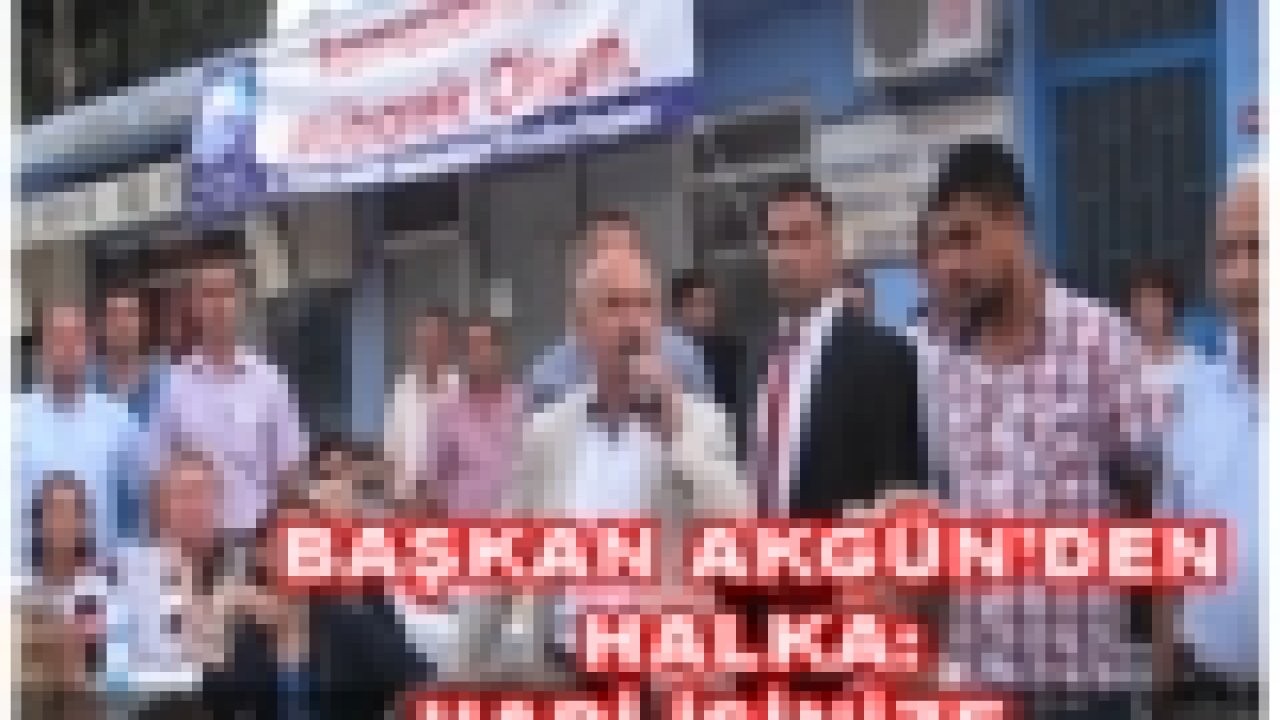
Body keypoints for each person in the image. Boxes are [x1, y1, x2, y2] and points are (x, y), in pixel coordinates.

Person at [912, 141, 1159, 718]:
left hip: (1082, 691)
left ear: (1017, 224)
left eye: (965, 238)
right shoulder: (943, 362)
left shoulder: (1100, 342)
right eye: (939, 247)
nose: (949, 265)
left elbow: (1151, 497)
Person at [456, 241, 750, 684]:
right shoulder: (548, 433)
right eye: (614, 305)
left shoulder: (701, 424)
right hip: (566, 669)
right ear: (581, 327)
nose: (633, 321)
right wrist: (462, 671)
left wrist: (677, 439)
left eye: (645, 305)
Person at [1154, 162, 1263, 719]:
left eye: (1259, 249)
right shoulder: (1194, 398)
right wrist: (1163, 686)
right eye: (1226, 254)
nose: (1242, 274)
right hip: (1207, 696)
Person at [753, 178, 926, 518]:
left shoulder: (883, 356)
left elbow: (894, 494)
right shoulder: (758, 355)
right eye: (774, 240)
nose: (786, 255)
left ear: (834, 247)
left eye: (801, 237)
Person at [204, 498, 431, 720]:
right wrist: (220, 622)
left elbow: (420, 680)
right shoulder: (242, 631)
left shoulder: (350, 621)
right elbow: (214, 703)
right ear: (262, 554)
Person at [148, 247, 307, 536]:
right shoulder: (174, 385)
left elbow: (289, 471)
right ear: (195, 306)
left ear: (241, 301)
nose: (218, 305)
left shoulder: (269, 382)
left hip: (257, 535)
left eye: (227, 293)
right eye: (208, 294)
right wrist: (165, 543)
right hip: (195, 541)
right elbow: (159, 474)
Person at [524, 210, 711, 413]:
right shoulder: (548, 378)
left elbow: (704, 426)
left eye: (628, 251)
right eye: (603, 253)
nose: (617, 263)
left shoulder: (684, 360)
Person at [17, 304, 141, 551]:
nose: (67, 349)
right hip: (27, 567)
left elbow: (139, 500)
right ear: (42, 349)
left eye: (76, 339)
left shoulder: (118, 420)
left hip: (100, 567)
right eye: (58, 339)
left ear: (90, 349)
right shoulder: (14, 418)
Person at [18, 473, 111, 694]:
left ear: (84, 523)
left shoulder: (107, 591)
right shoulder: (22, 598)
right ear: (38, 523)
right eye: (55, 511)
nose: (63, 522)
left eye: (72, 512)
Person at [424, 317, 523, 516]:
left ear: (499, 351)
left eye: (484, 345)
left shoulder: (523, 404)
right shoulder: (448, 411)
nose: (478, 354)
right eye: (471, 348)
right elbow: (436, 484)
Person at [383, 307, 460, 505]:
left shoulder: (462, 389)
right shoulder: (402, 390)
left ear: (449, 342)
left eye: (437, 338)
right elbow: (391, 451)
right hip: (407, 501)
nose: (430, 345)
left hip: (450, 502)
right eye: (425, 338)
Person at [670, 268, 744, 424]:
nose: (703, 312)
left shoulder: (732, 353)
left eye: (708, 304)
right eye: (695, 304)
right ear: (679, 309)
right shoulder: (665, 352)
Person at [1125, 262, 1198, 417]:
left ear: (1169, 306)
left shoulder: (1191, 360)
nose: (1147, 310)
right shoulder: (1119, 357)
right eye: (1141, 302)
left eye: (1154, 302)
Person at [92, 281, 168, 425]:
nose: (122, 324)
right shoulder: (89, 379)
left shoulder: (164, 377)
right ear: (102, 327)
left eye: (129, 315)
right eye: (114, 316)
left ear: (142, 324)